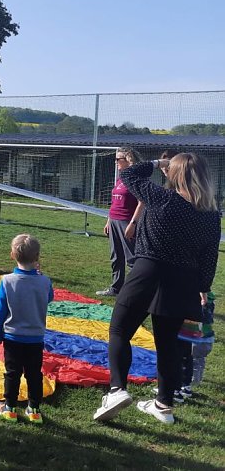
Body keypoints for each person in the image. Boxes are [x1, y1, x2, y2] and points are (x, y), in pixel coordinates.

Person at [94, 153, 220, 426]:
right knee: (168, 344)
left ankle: (117, 390)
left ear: (174, 173)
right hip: (184, 280)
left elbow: (128, 175)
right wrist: (202, 288)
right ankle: (164, 405)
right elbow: (210, 257)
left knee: (119, 330)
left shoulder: (164, 198)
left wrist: (156, 164)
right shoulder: (211, 215)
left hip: (148, 270)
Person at [0, 234, 53, 423]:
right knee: (34, 374)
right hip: (35, 338)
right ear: (37, 257)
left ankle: (9, 406)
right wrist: (39, 277)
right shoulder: (45, 282)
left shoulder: (7, 281)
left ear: (12, 254)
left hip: (13, 338)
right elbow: (49, 297)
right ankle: (33, 409)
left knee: (12, 372)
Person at [97, 147, 145, 297]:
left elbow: (142, 202)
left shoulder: (135, 178)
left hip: (126, 222)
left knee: (132, 259)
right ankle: (115, 288)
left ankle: (137, 290)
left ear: (128, 160)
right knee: (116, 257)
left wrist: (133, 223)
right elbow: (114, 202)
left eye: (119, 159)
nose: (116, 162)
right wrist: (108, 221)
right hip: (114, 221)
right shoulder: (120, 178)